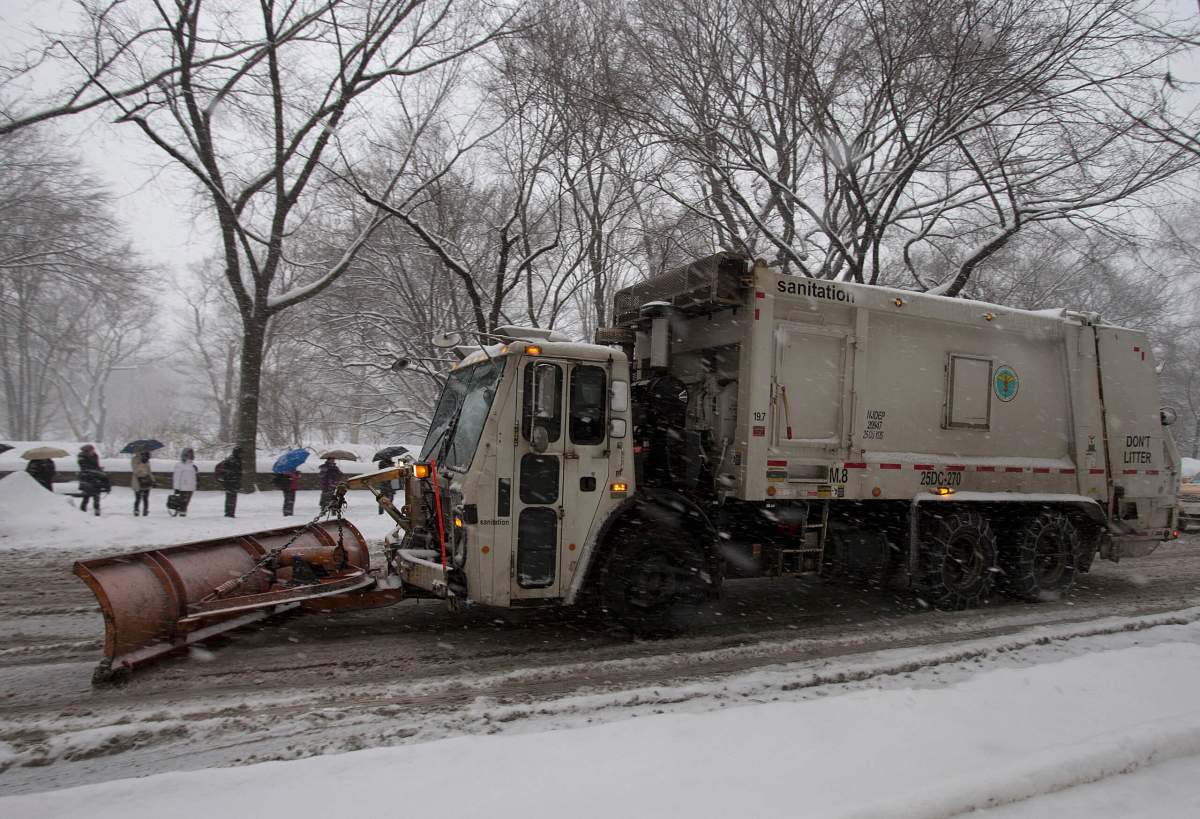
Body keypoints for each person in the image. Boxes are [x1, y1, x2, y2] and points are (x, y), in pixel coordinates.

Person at [78, 444, 106, 515]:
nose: (93, 451)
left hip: (95, 478)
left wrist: (99, 469)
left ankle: (97, 510)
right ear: (87, 451)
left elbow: (96, 466)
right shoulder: (82, 457)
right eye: (92, 450)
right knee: (86, 496)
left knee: (96, 496)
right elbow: (85, 468)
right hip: (86, 478)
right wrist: (96, 470)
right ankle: (82, 511)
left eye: (93, 450)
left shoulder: (95, 456)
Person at [215, 446, 243, 518]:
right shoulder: (233, 460)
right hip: (231, 481)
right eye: (240, 453)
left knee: (230, 497)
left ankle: (230, 513)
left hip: (231, 481)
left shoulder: (233, 459)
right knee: (231, 498)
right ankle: (229, 513)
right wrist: (232, 475)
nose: (241, 455)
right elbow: (235, 471)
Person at [172, 448, 199, 517]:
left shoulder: (193, 465)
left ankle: (182, 512)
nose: (190, 455)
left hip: (191, 487)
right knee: (183, 502)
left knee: (186, 502)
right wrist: (176, 488)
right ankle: (182, 514)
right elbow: (177, 478)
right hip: (183, 487)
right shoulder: (180, 465)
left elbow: (194, 477)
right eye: (189, 454)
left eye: (191, 454)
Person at [131, 450, 155, 516]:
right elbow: (135, 470)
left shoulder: (147, 459)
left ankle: (145, 510)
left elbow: (149, 471)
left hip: (147, 481)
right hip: (138, 481)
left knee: (146, 498)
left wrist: (153, 480)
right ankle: (136, 510)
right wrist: (142, 463)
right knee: (138, 497)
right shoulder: (135, 459)